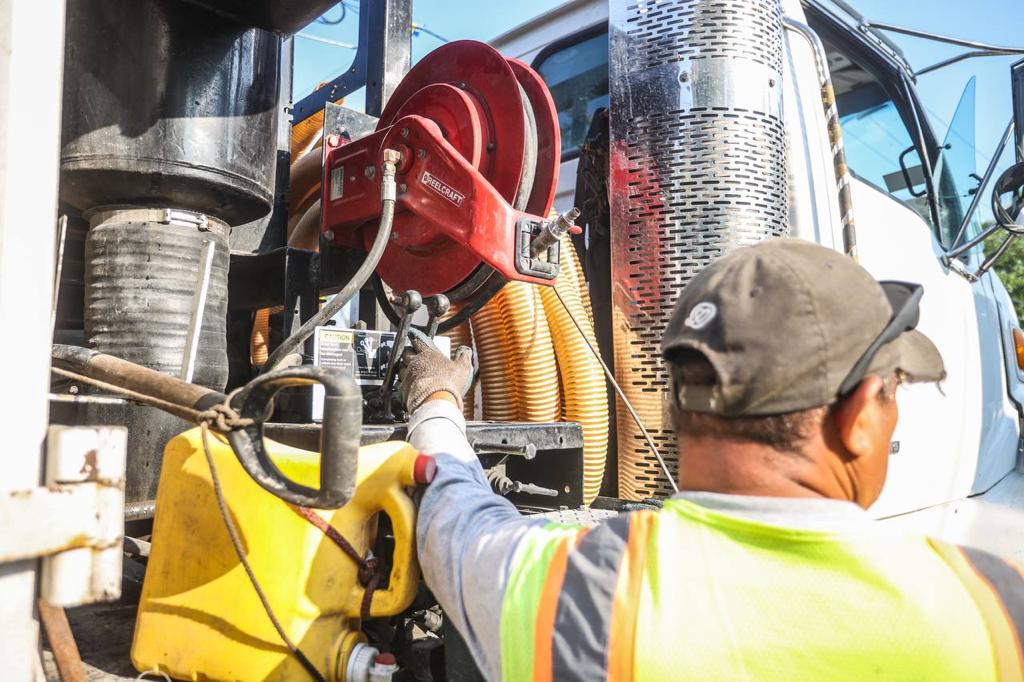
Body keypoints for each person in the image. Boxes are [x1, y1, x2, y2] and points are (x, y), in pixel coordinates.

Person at [400, 239, 1024, 682]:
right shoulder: (992, 608)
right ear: (860, 416)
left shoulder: (574, 593)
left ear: (677, 408)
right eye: (893, 391)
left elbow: (454, 523)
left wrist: (435, 399)